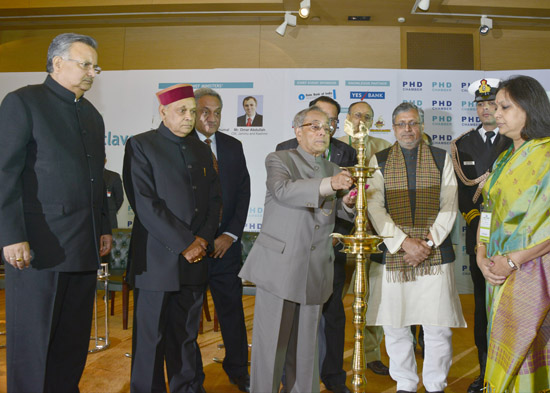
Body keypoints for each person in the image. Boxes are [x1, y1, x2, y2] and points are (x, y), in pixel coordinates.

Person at [0, 32, 112, 392]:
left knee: (71, 344)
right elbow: (5, 172)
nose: (92, 72)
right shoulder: (24, 102)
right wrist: (11, 235)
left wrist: (104, 227)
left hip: (83, 247)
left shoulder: (92, 115)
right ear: (57, 63)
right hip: (37, 248)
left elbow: (97, 180)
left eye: (95, 66)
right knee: (33, 345)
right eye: (85, 64)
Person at [239, 106, 356, 393]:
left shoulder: (332, 168)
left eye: (326, 127)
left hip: (317, 266)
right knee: (272, 346)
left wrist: (350, 203)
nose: (321, 132)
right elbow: (284, 191)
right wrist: (331, 184)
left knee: (307, 349)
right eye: (313, 126)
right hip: (282, 266)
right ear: (297, 131)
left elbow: (340, 211)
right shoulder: (279, 159)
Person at [123, 84, 222, 393]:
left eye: (193, 111)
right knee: (151, 337)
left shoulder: (202, 148)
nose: (189, 117)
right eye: (182, 111)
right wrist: (186, 243)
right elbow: (144, 203)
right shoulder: (141, 145)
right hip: (156, 260)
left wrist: (202, 240)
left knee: (186, 336)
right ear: (163, 112)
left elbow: (215, 200)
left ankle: (188, 388)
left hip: (195, 260)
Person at [365, 102, 466, 393]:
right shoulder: (379, 160)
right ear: (393, 128)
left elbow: (449, 205)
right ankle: (406, 384)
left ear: (421, 126)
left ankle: (435, 385)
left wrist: (428, 242)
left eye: (413, 123)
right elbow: (375, 207)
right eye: (401, 124)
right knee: (395, 326)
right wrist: (403, 243)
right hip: (394, 255)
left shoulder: (441, 158)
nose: (407, 129)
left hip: (435, 254)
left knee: (437, 327)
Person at [276, 95, 356, 393]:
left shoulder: (347, 152)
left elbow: (350, 200)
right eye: (319, 119)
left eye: (331, 121)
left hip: (329, 246)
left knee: (332, 313)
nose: (325, 127)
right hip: (295, 248)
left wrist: (345, 212)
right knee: (292, 318)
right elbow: (285, 194)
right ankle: (290, 380)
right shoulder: (284, 151)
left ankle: (333, 377)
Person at [475, 75, 550, 393]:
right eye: (494, 106)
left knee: (533, 345)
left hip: (536, 270)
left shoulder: (546, 156)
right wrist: (480, 254)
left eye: (504, 106)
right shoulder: (505, 156)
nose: (497, 113)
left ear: (530, 108)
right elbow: (488, 211)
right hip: (497, 269)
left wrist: (515, 260)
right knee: (503, 341)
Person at [451, 78, 511, 393]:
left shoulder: (517, 138)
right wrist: (475, 222)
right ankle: (485, 371)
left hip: (513, 234)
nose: (486, 109)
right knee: (482, 304)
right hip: (479, 234)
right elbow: (462, 190)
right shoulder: (463, 144)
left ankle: (512, 372)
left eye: (492, 103)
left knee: (512, 302)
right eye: (481, 104)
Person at [193, 87, 252, 393]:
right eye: (205, 111)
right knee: (189, 317)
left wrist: (230, 234)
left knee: (231, 312)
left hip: (226, 248)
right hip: (190, 250)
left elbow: (243, 192)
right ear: (191, 111)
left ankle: (238, 368)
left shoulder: (232, 146)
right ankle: (190, 376)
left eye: (217, 112)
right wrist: (197, 240)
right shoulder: (180, 144)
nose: (212, 118)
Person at [337, 100, 391, 376]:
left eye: (367, 116)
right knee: (332, 299)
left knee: (371, 297)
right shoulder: (332, 147)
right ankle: (330, 355)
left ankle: (371, 354)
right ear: (347, 118)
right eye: (357, 115)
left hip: (372, 235)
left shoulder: (383, 148)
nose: (361, 120)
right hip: (338, 235)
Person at [104, 163, 125, 229]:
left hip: (109, 220)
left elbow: (119, 199)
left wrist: (111, 211)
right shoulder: (86, 176)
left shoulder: (113, 176)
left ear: (105, 160)